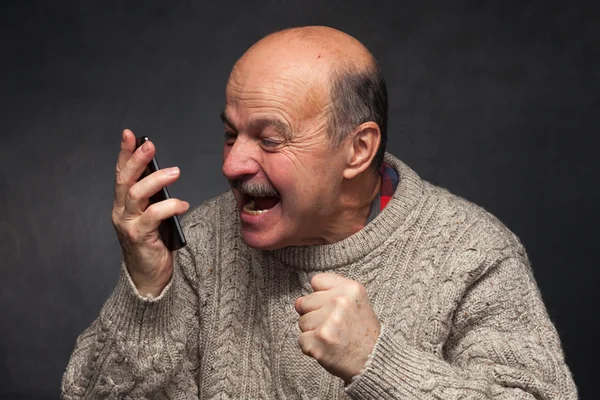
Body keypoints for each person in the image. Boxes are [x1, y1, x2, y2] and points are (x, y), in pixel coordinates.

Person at [62, 26, 577, 399]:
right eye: (230, 133)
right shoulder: (195, 247)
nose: (232, 164)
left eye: (269, 138)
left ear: (358, 150)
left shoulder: (475, 255)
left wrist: (380, 363)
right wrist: (147, 292)